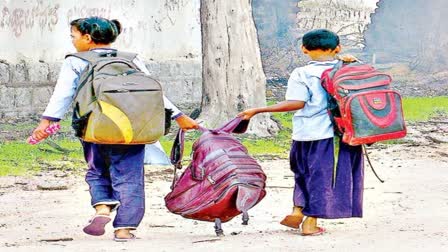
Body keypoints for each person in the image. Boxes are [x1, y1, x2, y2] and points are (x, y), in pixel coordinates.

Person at [30, 16, 199, 241]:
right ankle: (124, 229)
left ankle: (102, 208)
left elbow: (62, 95)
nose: (72, 41)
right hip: (133, 129)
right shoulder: (132, 58)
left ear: (87, 38)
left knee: (97, 169)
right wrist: (179, 116)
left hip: (94, 128)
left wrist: (46, 122)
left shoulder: (76, 61)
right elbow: (155, 93)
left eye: (73, 37)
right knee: (130, 177)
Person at [238, 29, 364, 236]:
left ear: (304, 49)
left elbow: (297, 103)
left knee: (302, 173)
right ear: (338, 48)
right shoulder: (347, 69)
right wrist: (348, 60)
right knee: (323, 178)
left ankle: (297, 209)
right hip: (333, 137)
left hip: (303, 135)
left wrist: (259, 109)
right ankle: (310, 223)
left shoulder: (301, 73)